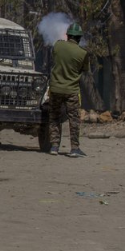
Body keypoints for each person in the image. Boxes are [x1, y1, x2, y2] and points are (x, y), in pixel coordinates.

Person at [48, 23, 90, 157]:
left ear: (68, 35)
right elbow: (85, 70)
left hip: (55, 88)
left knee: (54, 117)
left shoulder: (58, 45)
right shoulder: (82, 53)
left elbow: (53, 57)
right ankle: (74, 148)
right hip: (71, 90)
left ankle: (54, 147)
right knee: (74, 119)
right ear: (79, 38)